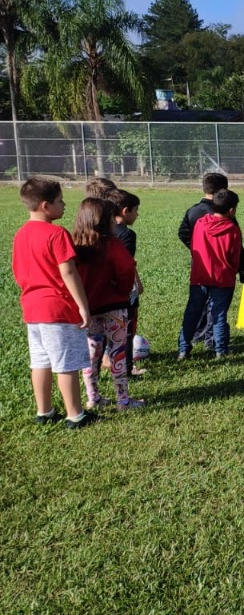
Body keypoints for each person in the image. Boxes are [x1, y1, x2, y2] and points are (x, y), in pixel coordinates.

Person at [10, 177, 97, 429]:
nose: (64, 205)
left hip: (32, 308)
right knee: (66, 364)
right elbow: (68, 272)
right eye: (60, 201)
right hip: (57, 309)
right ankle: (75, 415)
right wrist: (82, 305)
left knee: (40, 362)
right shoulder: (57, 233)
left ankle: (44, 411)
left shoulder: (20, 234)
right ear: (46, 206)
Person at [72, 197, 144, 411]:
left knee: (91, 354)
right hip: (114, 307)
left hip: (88, 308)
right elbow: (126, 269)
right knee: (118, 351)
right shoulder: (113, 244)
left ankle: (93, 398)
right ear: (105, 220)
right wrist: (122, 290)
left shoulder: (75, 244)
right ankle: (123, 400)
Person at [179, 173, 244, 349]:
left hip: (201, 268)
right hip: (221, 271)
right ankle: (215, 344)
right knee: (217, 312)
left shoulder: (194, 212)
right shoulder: (227, 216)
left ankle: (193, 340)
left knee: (195, 309)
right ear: (222, 191)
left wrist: (199, 251)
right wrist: (241, 269)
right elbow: (236, 248)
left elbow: (183, 233)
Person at [105, 187, 144, 377]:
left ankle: (107, 362)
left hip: (103, 290)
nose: (137, 214)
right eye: (136, 210)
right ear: (125, 211)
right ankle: (127, 368)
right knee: (127, 329)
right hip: (124, 290)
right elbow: (126, 264)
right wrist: (136, 284)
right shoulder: (127, 235)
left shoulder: (103, 230)